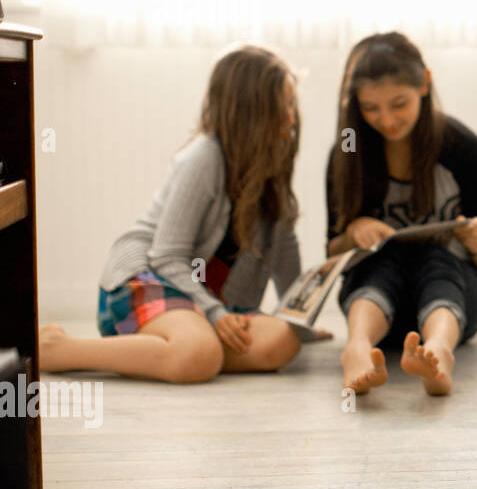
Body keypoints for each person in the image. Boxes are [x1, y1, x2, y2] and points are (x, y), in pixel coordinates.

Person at [40, 45, 305, 382]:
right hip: (150, 278)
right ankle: (59, 350)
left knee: (281, 341)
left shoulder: (272, 166)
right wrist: (214, 313)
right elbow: (166, 257)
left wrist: (301, 320)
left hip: (205, 298)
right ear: (254, 113)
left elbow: (283, 251)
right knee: (200, 356)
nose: (292, 117)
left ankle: (173, 349)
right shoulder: (203, 159)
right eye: (284, 106)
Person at [327, 32, 477, 397]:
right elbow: (335, 257)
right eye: (371, 108)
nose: (387, 120)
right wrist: (353, 232)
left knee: (438, 261)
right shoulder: (348, 152)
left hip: (454, 302)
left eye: (398, 103)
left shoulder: (464, 149)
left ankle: (438, 352)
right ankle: (357, 347)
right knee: (380, 263)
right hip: (377, 307)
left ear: (424, 83)